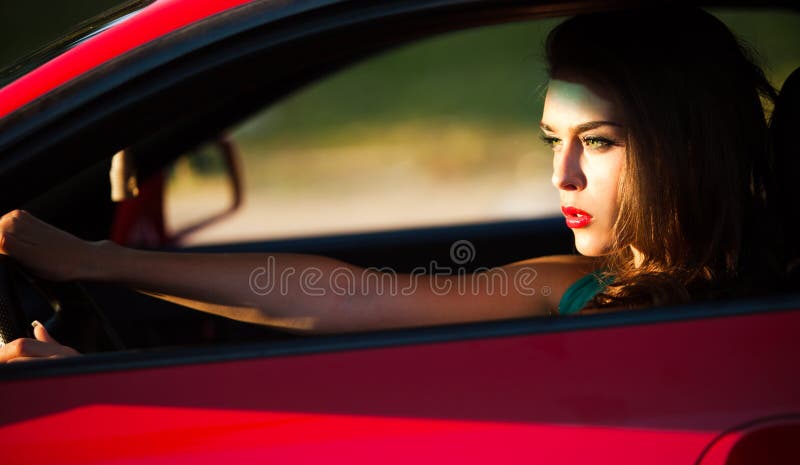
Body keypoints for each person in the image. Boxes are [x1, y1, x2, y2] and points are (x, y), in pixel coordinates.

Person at [0, 7, 791, 362]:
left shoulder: (774, 304)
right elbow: (336, 294)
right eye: (552, 139)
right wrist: (94, 260)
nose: (563, 173)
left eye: (601, 143)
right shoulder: (574, 285)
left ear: (684, 146)